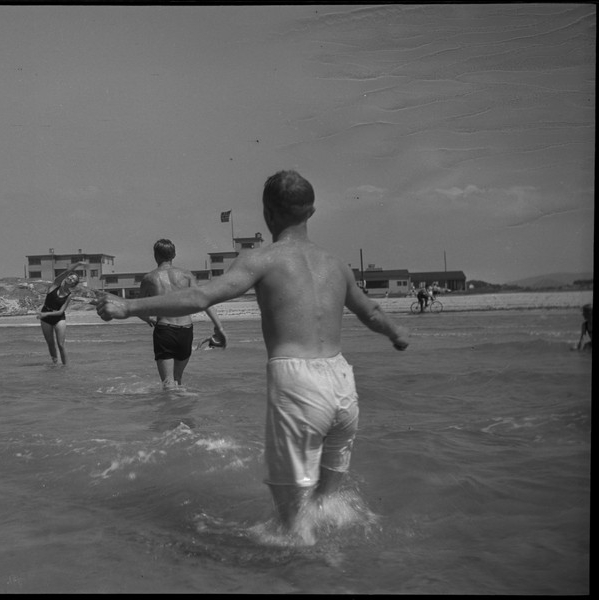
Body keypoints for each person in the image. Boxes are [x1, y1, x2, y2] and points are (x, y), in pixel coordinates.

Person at [96, 170, 409, 543]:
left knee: (293, 525)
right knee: (327, 503)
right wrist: (396, 332)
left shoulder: (262, 259)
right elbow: (371, 313)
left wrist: (128, 307)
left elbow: (201, 297)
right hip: (343, 383)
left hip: (299, 383)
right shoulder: (335, 263)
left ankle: (304, 565)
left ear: (267, 213)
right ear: (312, 211)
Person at [138, 239, 226, 389]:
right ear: (174, 255)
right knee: (178, 380)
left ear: (155, 255)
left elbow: (138, 308)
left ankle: (175, 402)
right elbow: (204, 301)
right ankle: (185, 402)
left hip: (165, 330)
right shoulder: (186, 275)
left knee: (168, 383)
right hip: (186, 330)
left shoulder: (149, 278)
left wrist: (148, 319)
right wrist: (220, 327)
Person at [37, 261, 87, 365]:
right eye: (70, 277)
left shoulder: (69, 295)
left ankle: (66, 367)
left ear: (73, 284)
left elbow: (60, 312)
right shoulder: (55, 285)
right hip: (45, 317)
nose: (71, 279)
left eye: (73, 279)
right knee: (50, 343)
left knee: (61, 344)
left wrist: (46, 314)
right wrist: (78, 264)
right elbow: (67, 271)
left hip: (58, 318)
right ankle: (55, 364)